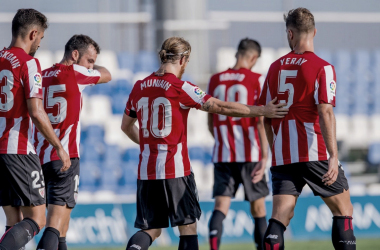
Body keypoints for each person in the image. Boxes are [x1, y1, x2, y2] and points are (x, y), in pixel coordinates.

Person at [121, 36, 288, 250]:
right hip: (176, 170)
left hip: (147, 171)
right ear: (183, 59)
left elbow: (126, 126)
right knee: (188, 228)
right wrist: (262, 110)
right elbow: (221, 107)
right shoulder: (181, 87)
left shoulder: (139, 86)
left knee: (150, 230)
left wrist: (147, 145)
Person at [258, 8, 356, 250]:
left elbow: (264, 117)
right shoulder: (322, 67)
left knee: (280, 217)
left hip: (283, 154)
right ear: (315, 32)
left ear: (290, 33)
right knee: (343, 210)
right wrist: (333, 156)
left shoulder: (273, 68)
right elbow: (325, 112)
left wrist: (275, 148)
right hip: (315, 151)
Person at [0, 9, 71, 250]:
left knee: (13, 219)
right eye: (40, 39)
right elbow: (36, 111)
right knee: (37, 218)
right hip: (17, 149)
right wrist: (59, 146)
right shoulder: (29, 63)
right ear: (33, 33)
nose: (39, 44)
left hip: (0, 150)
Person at [33, 34, 112, 250]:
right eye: (89, 60)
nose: (91, 66)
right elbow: (107, 75)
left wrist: (89, 65)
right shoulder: (75, 73)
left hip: (39, 159)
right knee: (54, 225)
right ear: (75, 55)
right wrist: (94, 68)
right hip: (64, 158)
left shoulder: (41, 74)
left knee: (62, 230)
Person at [207, 38, 269, 250]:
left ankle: (214, 248)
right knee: (258, 209)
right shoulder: (256, 79)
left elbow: (210, 120)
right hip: (251, 154)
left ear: (237, 53)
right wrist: (264, 156)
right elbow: (260, 120)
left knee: (221, 206)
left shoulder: (215, 80)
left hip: (222, 154)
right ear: (253, 57)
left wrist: (222, 141)